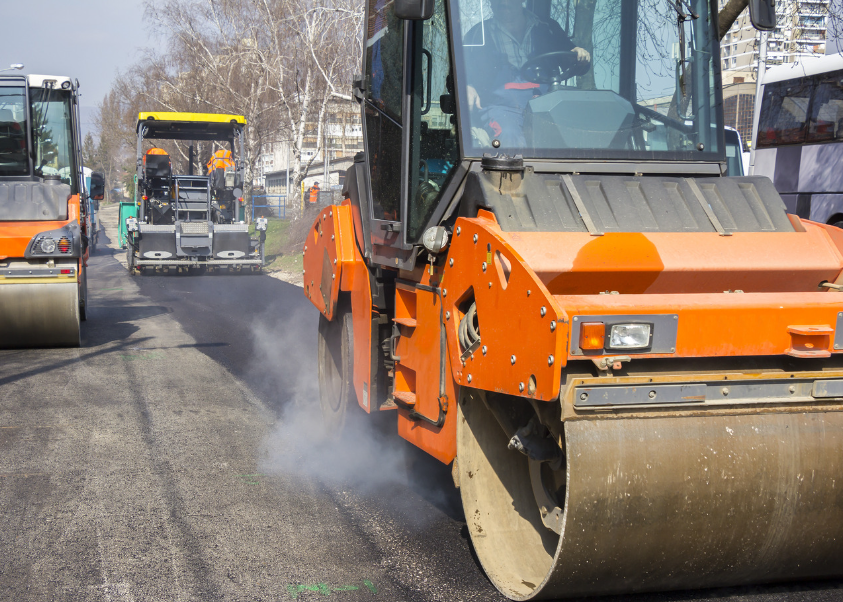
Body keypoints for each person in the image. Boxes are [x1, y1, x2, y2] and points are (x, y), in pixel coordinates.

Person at [463, 0, 590, 146]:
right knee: (509, 136)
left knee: (566, 139)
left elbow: (572, 59)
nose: (503, 3)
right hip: (500, 107)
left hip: (545, 106)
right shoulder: (478, 34)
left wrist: (580, 56)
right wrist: (467, 85)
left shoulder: (547, 28)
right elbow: (458, 72)